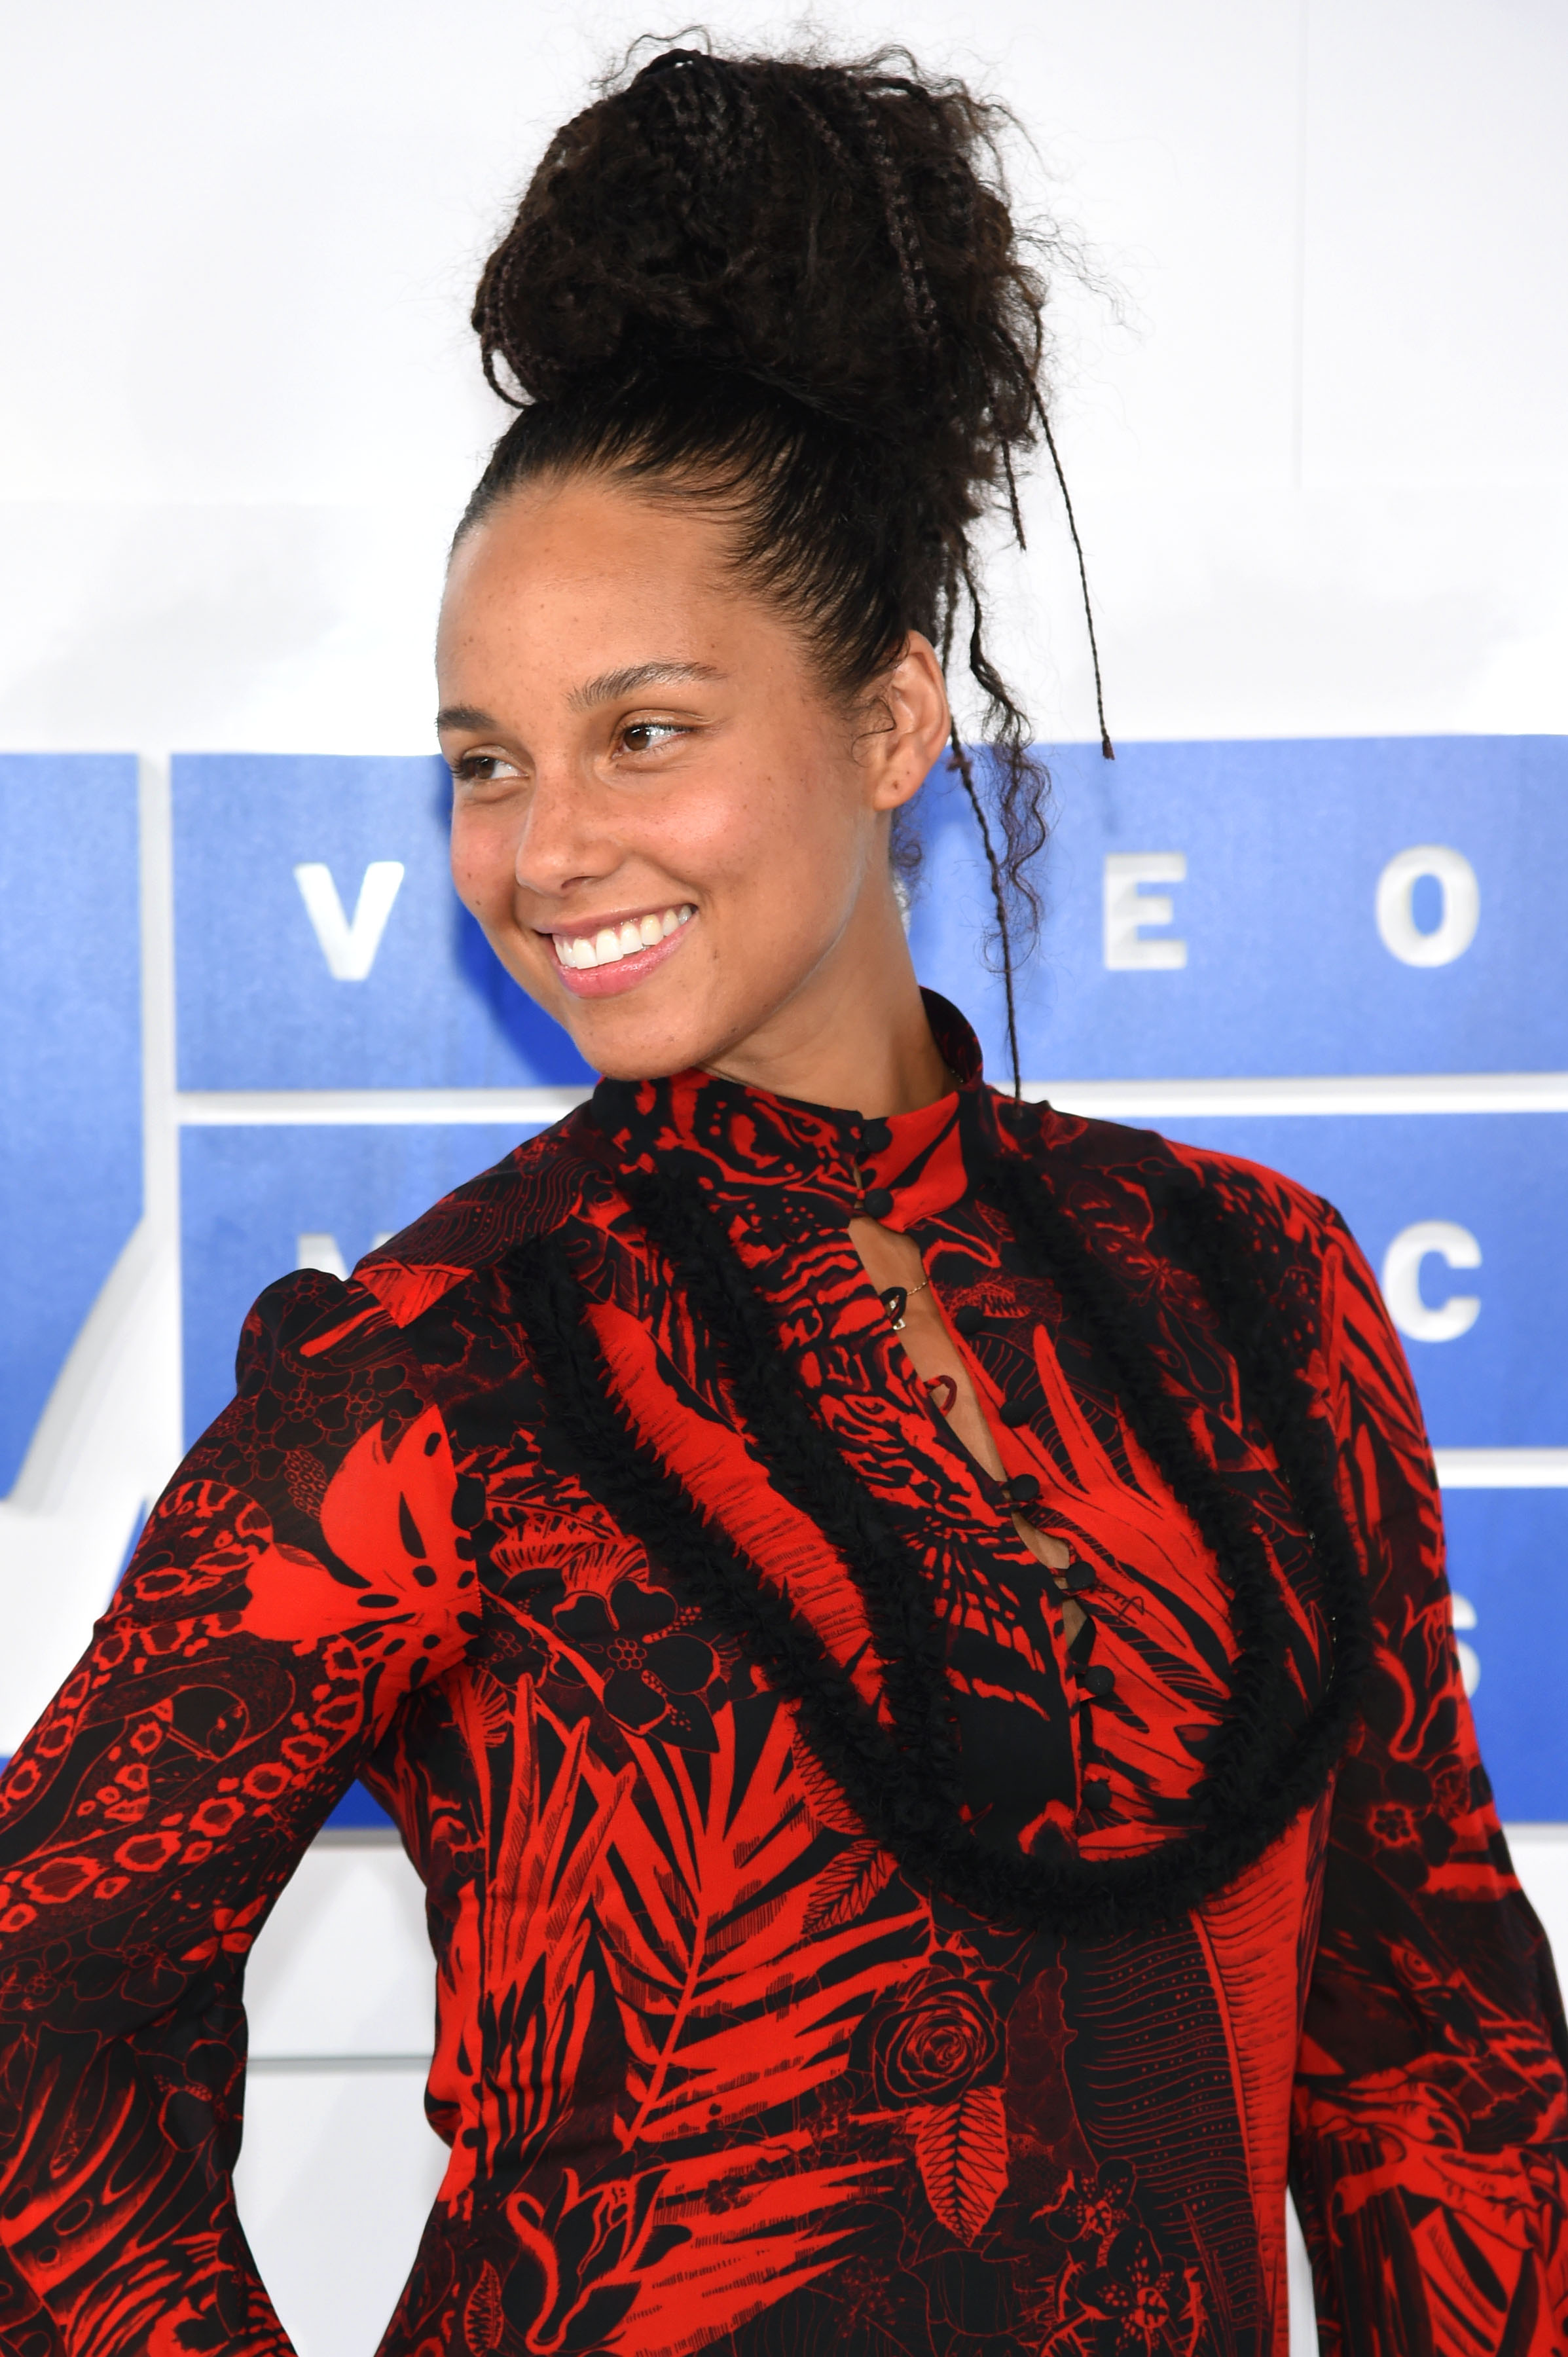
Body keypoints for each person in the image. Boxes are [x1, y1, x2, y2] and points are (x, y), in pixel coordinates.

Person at [0, 43, 1563, 2357]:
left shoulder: (1254, 1290)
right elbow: (47, 2011)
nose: (545, 849)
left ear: (888, 721)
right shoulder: (435, 1367)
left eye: (644, 731)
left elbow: (1440, 2065)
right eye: (484, 764)